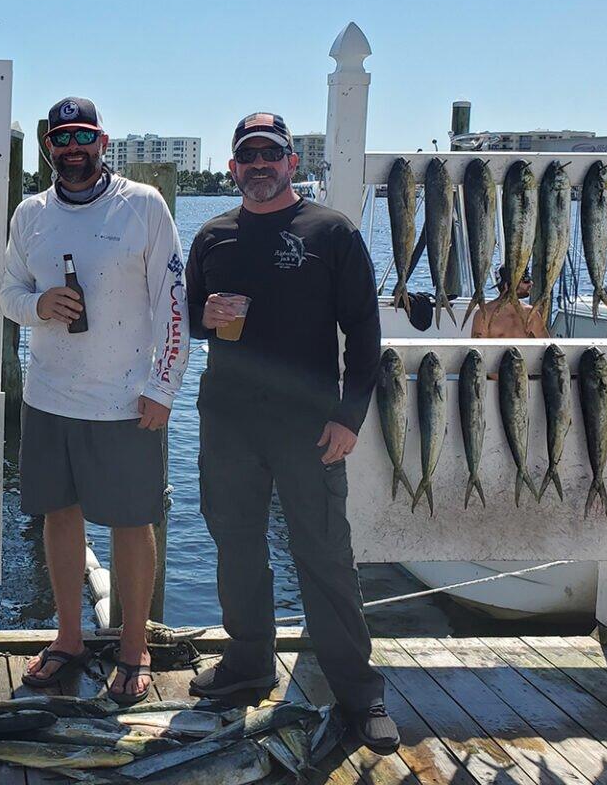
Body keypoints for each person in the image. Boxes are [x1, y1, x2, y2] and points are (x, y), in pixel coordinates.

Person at [185, 112, 398, 754]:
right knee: (237, 546)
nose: (258, 165)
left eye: (269, 155)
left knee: (325, 553)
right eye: (246, 155)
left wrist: (349, 416)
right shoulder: (212, 236)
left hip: (310, 426)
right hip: (228, 420)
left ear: (291, 164)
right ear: (232, 168)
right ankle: (248, 664)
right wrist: (205, 315)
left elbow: (365, 331)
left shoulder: (330, 231)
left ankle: (360, 695)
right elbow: (193, 319)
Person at [0, 97, 188, 705]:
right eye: (61, 138)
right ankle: (69, 638)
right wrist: (37, 306)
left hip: (127, 401)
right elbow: (6, 292)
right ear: (49, 146)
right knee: (59, 515)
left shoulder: (143, 206)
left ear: (103, 141)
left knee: (133, 524)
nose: (72, 148)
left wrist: (164, 388)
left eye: (83, 136)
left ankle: (134, 647)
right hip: (49, 397)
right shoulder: (30, 214)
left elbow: (174, 303)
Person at [470, 266, 549, 338]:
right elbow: (478, 349)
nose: (531, 283)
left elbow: (546, 345)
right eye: (526, 279)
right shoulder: (484, 314)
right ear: (507, 285)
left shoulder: (532, 314)